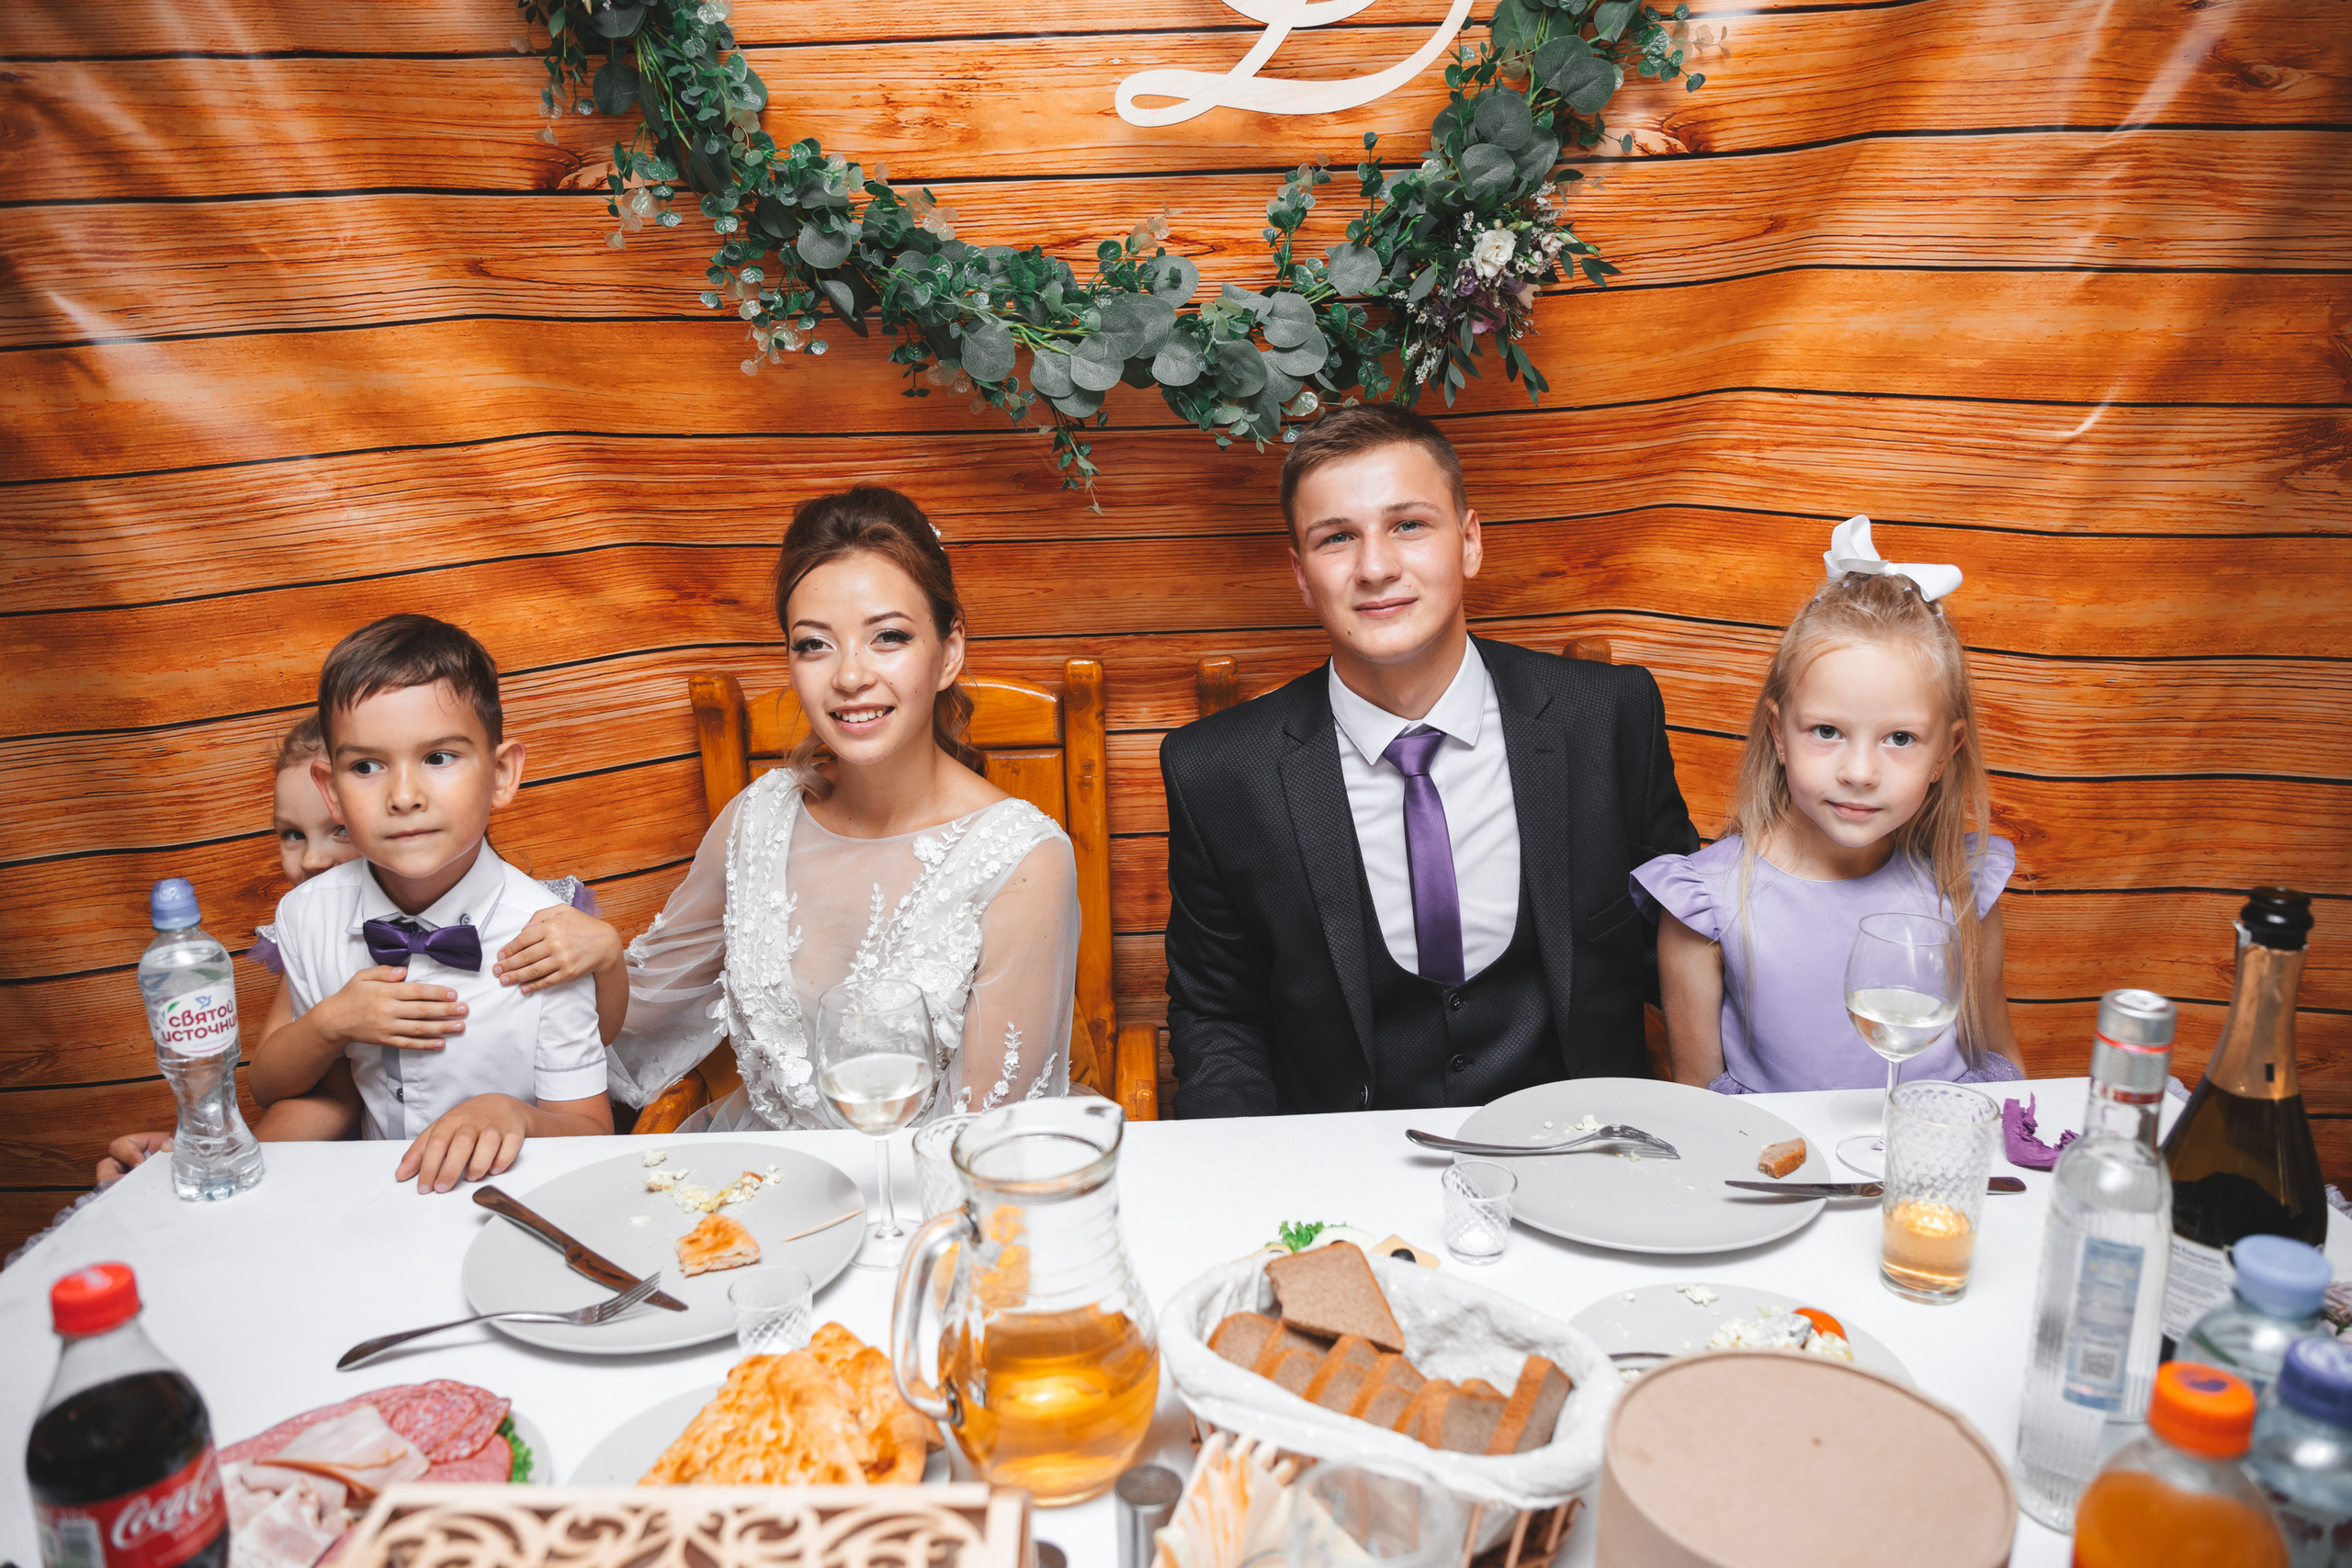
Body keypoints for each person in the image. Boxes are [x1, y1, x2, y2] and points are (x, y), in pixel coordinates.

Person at [1159, 404, 1700, 1116]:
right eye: (1336, 538)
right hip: (1343, 1181)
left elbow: (1684, 942)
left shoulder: (1604, 718)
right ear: (1300, 574)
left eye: (1408, 524)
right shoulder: (1219, 771)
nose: (1376, 567)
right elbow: (1217, 1016)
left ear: (1469, 542)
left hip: (1582, 1155)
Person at [606, 485, 1080, 1130]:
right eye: (814, 644)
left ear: (950, 651)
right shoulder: (757, 822)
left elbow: (980, 1138)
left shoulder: (1024, 861)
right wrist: (590, 956)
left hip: (930, 1206)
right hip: (763, 1185)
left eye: (888, 636)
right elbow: (631, 1021)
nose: (851, 676)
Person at [98, 716, 632, 1184]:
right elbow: (302, 1092)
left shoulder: (542, 928)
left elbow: (593, 1053)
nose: (315, 861)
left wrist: (608, 957)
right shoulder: (314, 922)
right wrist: (214, 1162)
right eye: (291, 835)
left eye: (338, 834)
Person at [1633, 516, 2026, 1092]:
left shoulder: (1962, 889)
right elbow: (1700, 1108)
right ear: (1778, 733)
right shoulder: (1707, 903)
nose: (1860, 773)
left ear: (1946, 752)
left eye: (1900, 739)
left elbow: (2003, 1069)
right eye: (1826, 731)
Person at [248, 615, 614, 1191]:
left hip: (519, 1202)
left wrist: (513, 1115)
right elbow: (271, 1089)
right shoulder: (306, 916)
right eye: (365, 766)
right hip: (375, 1207)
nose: (403, 797)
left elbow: (592, 1132)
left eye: (439, 758)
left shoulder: (546, 937)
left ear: (500, 774)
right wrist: (333, 1023)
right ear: (331, 790)